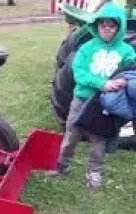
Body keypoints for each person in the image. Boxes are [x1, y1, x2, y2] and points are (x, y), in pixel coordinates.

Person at [48, 1, 136, 190]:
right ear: (97, 24)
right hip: (81, 99)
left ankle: (95, 172)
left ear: (119, 27)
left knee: (99, 139)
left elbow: (131, 71)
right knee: (71, 133)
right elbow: (80, 74)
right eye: (103, 24)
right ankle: (62, 165)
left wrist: (126, 80)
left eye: (112, 25)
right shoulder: (86, 48)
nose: (107, 28)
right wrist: (104, 84)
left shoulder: (127, 51)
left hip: (104, 105)